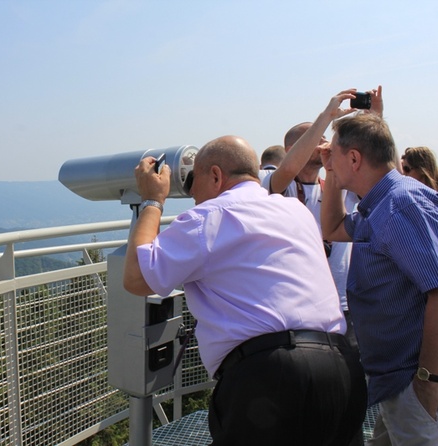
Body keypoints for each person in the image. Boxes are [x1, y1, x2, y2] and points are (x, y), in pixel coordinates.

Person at [123, 135, 367, 446]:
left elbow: (136, 278)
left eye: (193, 180)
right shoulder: (296, 211)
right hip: (340, 368)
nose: (192, 193)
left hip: (270, 379)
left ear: (215, 175)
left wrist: (151, 201)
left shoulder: (207, 218)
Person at [297, 89, 438, 445]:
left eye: (336, 152)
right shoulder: (380, 205)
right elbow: (332, 229)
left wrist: (429, 379)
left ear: (355, 158)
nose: (329, 156)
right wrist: (331, 171)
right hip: (397, 381)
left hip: (415, 382)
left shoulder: (397, 207)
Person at [261, 86, 382, 350]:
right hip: (297, 308)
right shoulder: (281, 188)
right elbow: (288, 169)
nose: (324, 143)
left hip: (343, 305)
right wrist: (326, 116)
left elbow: (382, 180)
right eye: (316, 138)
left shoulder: (338, 187)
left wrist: (376, 121)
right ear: (294, 148)